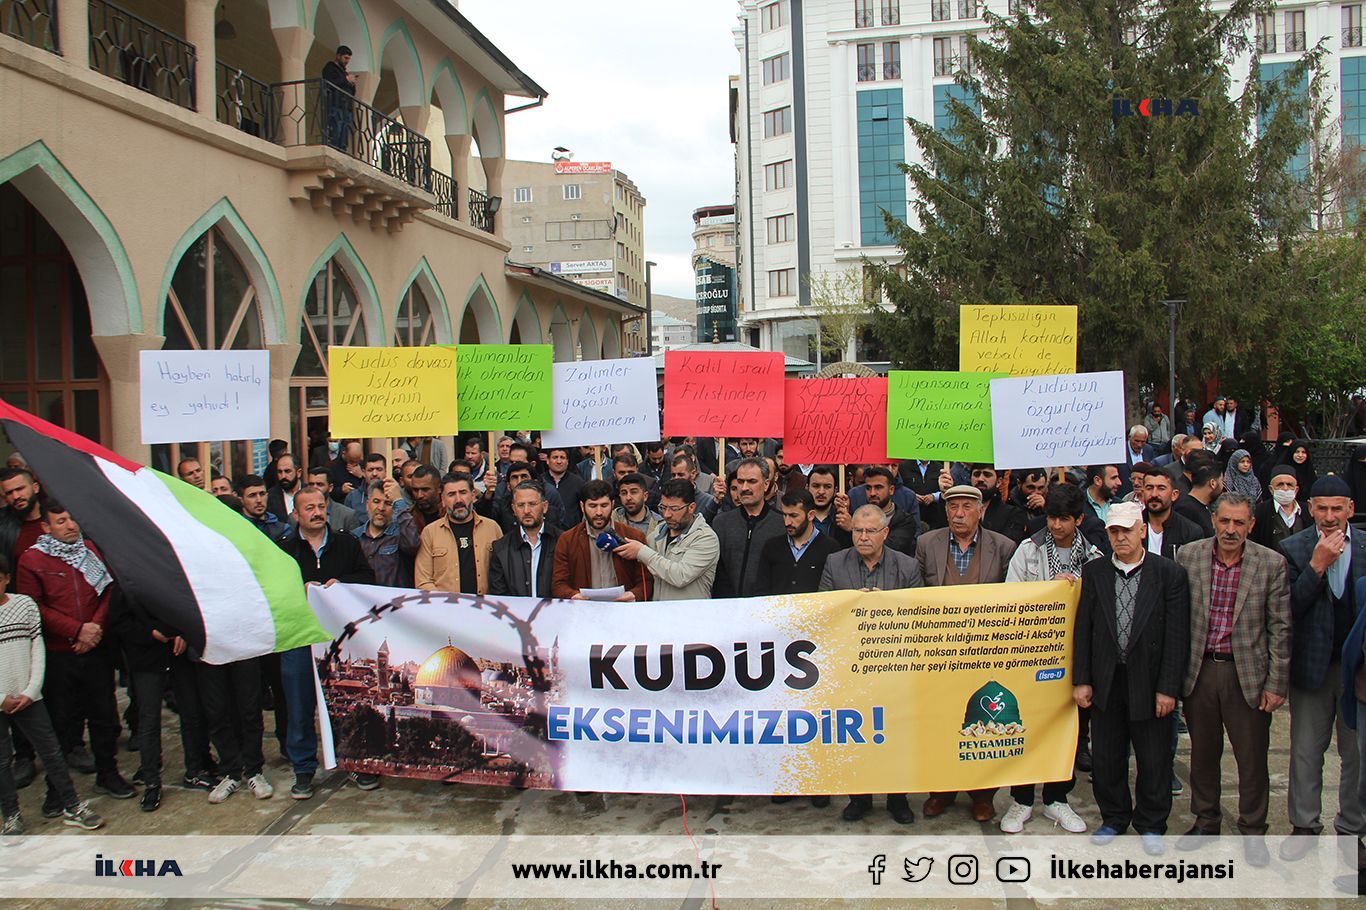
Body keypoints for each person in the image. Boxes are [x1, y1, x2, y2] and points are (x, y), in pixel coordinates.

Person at [1175, 493, 1290, 865]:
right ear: (1213, 519)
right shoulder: (1189, 557)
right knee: (1203, 754)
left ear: (1251, 525)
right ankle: (1206, 821)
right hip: (1200, 672)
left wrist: (1276, 683)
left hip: (1248, 676)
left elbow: (1280, 629)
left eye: (1239, 523)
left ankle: (1253, 831)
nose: (1230, 530)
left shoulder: (1271, 564)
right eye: (1224, 521)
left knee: (1251, 758)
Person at [1074, 501, 1190, 853]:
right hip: (1108, 679)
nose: (1120, 537)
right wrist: (1082, 679)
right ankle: (1113, 817)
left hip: (1150, 680)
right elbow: (1084, 629)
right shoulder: (1094, 573)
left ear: (1142, 530)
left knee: (1154, 757)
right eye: (1114, 531)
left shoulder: (1168, 573)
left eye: (1126, 530)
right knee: (1107, 757)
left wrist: (1169, 688)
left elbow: (1176, 635)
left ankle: (1152, 822)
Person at [15, 500, 134, 805]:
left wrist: (93, 628)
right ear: (46, 527)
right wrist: (75, 629)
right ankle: (57, 791)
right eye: (61, 521)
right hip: (59, 653)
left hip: (95, 649)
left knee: (104, 717)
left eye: (72, 519)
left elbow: (109, 590)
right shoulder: (33, 560)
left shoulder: (91, 550)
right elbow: (33, 606)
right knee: (61, 722)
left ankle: (108, 775)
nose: (70, 526)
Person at [1000, 484, 1100, 834]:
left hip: (1074, 659)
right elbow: (1011, 600)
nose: (1056, 526)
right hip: (1031, 657)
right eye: (1052, 518)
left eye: (1064, 519)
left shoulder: (1093, 556)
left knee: (1069, 731)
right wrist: (1048, 592)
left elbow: (1100, 607)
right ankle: (1021, 799)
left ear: (1079, 519)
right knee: (1025, 727)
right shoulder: (1028, 551)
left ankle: (1058, 798)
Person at [916, 485, 1015, 822]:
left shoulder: (1002, 547)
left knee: (982, 722)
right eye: (952, 507)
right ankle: (941, 790)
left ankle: (982, 794)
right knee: (940, 722)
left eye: (965, 507)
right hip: (937, 653)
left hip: (983, 653)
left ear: (980, 510)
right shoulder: (926, 544)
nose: (958, 514)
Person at [820, 504, 923, 824]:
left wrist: (886, 607)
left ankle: (897, 798)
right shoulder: (835, 563)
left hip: (894, 666)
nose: (863, 537)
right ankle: (860, 797)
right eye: (857, 531)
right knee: (858, 734)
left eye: (870, 532)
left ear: (885, 533)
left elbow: (920, 613)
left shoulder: (907, 566)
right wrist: (852, 606)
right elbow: (822, 609)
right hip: (850, 665)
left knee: (895, 733)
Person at [1278, 475, 1364, 858]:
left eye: (1337, 509)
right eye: (1322, 509)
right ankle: (1304, 827)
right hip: (1313, 669)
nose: (1329, 517)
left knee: (1357, 755)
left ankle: (1351, 831)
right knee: (1306, 751)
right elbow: (1288, 609)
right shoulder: (1293, 548)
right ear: (1310, 508)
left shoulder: (1364, 547)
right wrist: (1316, 567)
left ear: (1350, 509)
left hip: (1359, 673)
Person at [278, 487, 377, 799]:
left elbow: (368, 578)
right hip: (300, 638)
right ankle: (304, 770)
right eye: (309, 508)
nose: (317, 512)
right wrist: (300, 590)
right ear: (296, 514)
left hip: (340, 642)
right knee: (299, 705)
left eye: (321, 506)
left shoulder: (346, 543)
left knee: (347, 702)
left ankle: (355, 761)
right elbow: (274, 594)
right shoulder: (283, 548)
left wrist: (343, 585)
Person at [0, 552, 104, 834]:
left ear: (7, 579)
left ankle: (72, 805)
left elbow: (37, 648)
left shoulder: (24, 606)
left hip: (30, 695)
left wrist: (31, 690)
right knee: (2, 761)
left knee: (52, 752)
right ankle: (10, 816)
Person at [613, 479, 719, 601]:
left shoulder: (705, 538)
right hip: (659, 614)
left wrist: (641, 551)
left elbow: (680, 576)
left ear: (691, 507)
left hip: (690, 616)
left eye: (674, 509)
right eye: (663, 507)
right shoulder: (657, 533)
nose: (667, 514)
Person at [551, 480, 648, 602]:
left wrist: (634, 594)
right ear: (582, 506)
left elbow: (646, 582)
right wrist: (574, 596)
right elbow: (558, 584)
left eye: (604, 505)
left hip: (624, 609)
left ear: (612, 504)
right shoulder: (567, 540)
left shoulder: (633, 536)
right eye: (592, 506)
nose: (599, 512)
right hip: (583, 610)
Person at [415, 473, 502, 595]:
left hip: (485, 609)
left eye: (463, 492)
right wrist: (447, 605)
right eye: (451, 495)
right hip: (446, 610)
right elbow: (423, 581)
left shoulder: (492, 528)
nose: (458, 500)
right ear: (443, 500)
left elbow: (503, 576)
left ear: (473, 495)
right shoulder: (430, 532)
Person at [711, 458, 785, 598]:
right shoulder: (721, 523)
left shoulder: (782, 524)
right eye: (740, 481)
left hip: (765, 610)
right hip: (726, 609)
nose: (744, 488)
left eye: (752, 481)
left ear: (766, 484)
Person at [757, 490, 840, 597]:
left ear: (811, 515)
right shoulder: (772, 546)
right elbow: (761, 589)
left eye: (793, 516)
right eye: (784, 515)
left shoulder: (830, 548)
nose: (787, 522)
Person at [487, 481, 561, 598]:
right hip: (515, 615)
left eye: (532, 504)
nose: (526, 511)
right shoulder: (501, 548)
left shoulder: (562, 541)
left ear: (545, 506)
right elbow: (498, 595)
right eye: (521, 505)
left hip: (555, 613)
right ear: (514, 509)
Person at [353, 479, 420, 588]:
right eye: (376, 501)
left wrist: (398, 500)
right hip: (363, 603)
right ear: (367, 505)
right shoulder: (354, 537)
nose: (381, 508)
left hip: (394, 603)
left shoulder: (400, 535)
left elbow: (412, 544)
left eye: (388, 503)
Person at [1141, 471, 1205, 559]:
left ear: (1174, 495)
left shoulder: (1191, 532)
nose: (1154, 494)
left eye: (1161, 488)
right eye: (1149, 488)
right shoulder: (1131, 527)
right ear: (1142, 493)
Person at [1253, 465, 1309, 550]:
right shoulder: (1259, 512)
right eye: (1280, 484)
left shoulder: (1307, 511)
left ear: (1296, 489)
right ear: (1271, 489)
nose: (1285, 488)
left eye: (1289, 485)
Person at [968, 464, 1028, 544]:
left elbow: (1007, 547)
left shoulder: (1013, 514)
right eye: (976, 474)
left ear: (999, 482)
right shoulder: (958, 510)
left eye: (987, 475)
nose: (980, 479)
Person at [301, 468, 363, 534]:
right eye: (311, 484)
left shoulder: (347, 515)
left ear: (330, 488)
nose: (315, 488)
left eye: (319, 484)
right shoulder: (299, 514)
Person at [804, 465, 851, 550]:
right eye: (816, 486)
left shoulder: (846, 519)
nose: (821, 492)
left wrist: (851, 530)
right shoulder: (798, 518)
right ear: (807, 488)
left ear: (835, 491)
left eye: (827, 487)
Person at [321, 45, 357, 151]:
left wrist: (351, 83)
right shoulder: (330, 67)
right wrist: (346, 80)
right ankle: (335, 148)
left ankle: (342, 149)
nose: (347, 61)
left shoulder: (344, 72)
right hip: (335, 105)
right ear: (338, 56)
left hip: (346, 107)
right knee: (336, 129)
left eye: (349, 59)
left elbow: (351, 91)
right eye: (345, 58)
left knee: (344, 132)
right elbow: (330, 82)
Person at [1174, 459, 1221, 539]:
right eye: (1222, 481)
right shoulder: (1185, 508)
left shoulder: (1204, 506)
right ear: (1213, 483)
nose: (1222, 487)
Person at [238, 474, 289, 542]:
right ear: (241, 500)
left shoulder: (283, 530)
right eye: (252, 495)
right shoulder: (236, 529)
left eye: (262, 494)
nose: (259, 500)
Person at [543, 448, 586, 529]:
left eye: (562, 458)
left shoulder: (578, 483)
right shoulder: (540, 482)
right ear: (548, 460)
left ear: (567, 461)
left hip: (572, 533)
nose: (559, 461)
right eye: (555, 457)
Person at [611, 472, 661, 539]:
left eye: (633, 492)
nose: (628, 498)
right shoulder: (612, 519)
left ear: (645, 496)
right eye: (624, 493)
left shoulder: (660, 524)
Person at [405, 464, 443, 533]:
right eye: (415, 490)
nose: (419, 495)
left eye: (425, 489)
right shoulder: (409, 518)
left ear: (439, 488)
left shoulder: (450, 514)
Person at [265, 454, 301, 522]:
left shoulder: (310, 492)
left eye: (287, 471)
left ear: (298, 473)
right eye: (280, 472)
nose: (283, 476)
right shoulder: (270, 497)